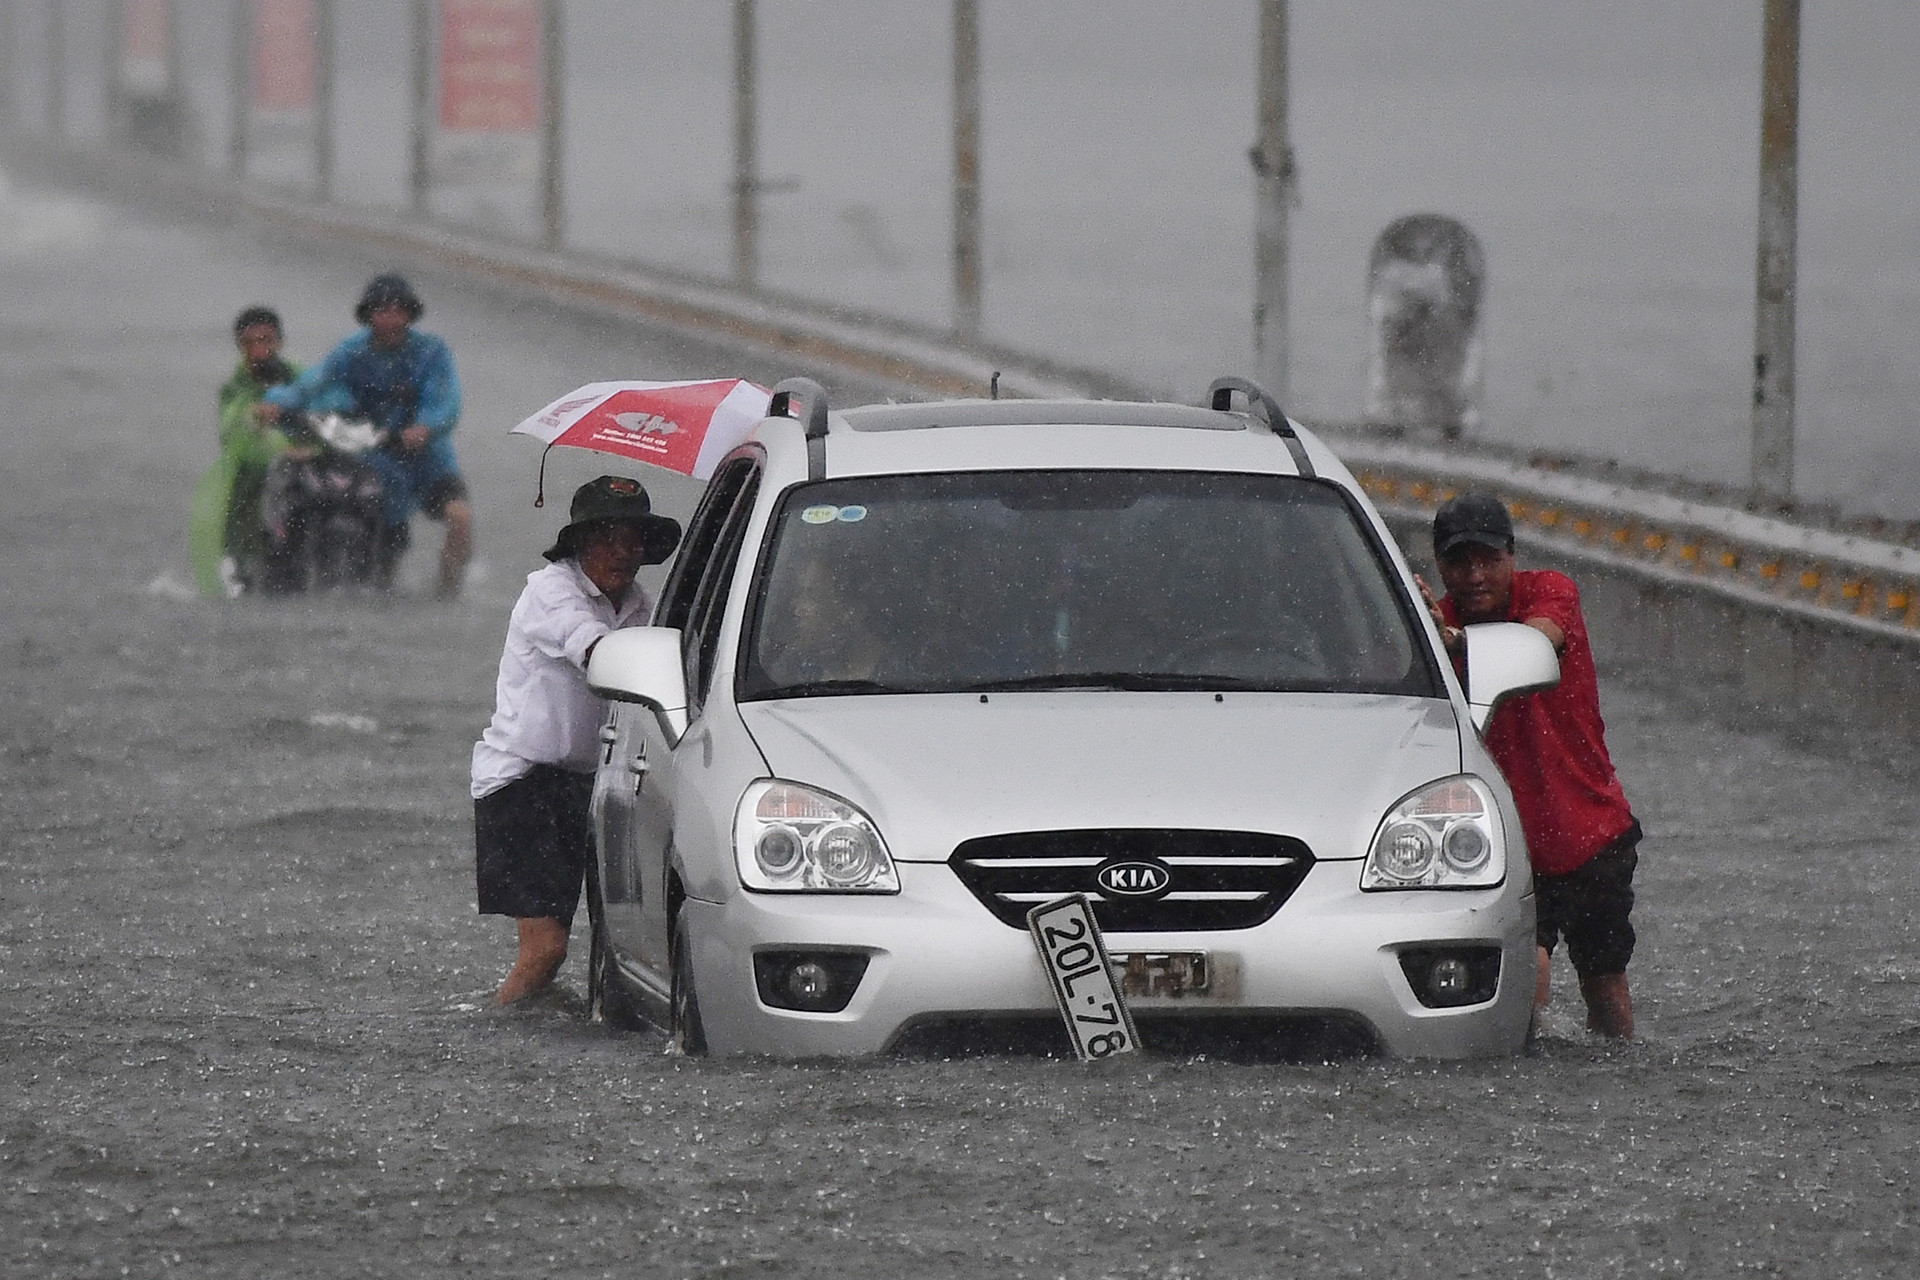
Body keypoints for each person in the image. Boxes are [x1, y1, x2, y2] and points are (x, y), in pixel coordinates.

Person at [1420, 492, 1641, 1038]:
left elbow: (1541, 639)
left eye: (1487, 560)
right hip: (1511, 844)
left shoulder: (1550, 593)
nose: (1474, 576)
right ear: (1441, 567)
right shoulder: (1433, 628)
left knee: (1606, 984)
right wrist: (1412, 623)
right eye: (1459, 562)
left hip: (1591, 832)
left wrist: (1456, 642)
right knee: (1529, 976)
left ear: (1511, 556)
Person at [470, 476, 682, 1005]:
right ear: (580, 545)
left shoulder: (640, 605)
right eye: (607, 538)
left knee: (616, 946)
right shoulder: (549, 591)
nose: (622, 553)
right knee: (546, 951)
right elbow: (588, 645)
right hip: (524, 785)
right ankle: (498, 1028)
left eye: (633, 541)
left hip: (594, 786)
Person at [261, 273, 473, 596]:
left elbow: (445, 399)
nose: (388, 318)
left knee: (459, 518)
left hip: (428, 460)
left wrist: (425, 427)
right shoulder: (352, 352)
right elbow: (314, 382)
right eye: (380, 310)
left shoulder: (431, 352)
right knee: (380, 546)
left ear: (409, 313)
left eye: (397, 309)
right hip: (379, 461)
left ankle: (447, 593)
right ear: (368, 314)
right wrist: (277, 405)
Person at [189, 306, 299, 597]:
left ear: (280, 343)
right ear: (240, 346)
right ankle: (242, 564)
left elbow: (328, 403)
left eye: (266, 340)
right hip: (253, 472)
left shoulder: (301, 377)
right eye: (250, 342)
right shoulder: (234, 389)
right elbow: (230, 429)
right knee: (241, 494)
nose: (259, 349)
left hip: (298, 465)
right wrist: (255, 418)